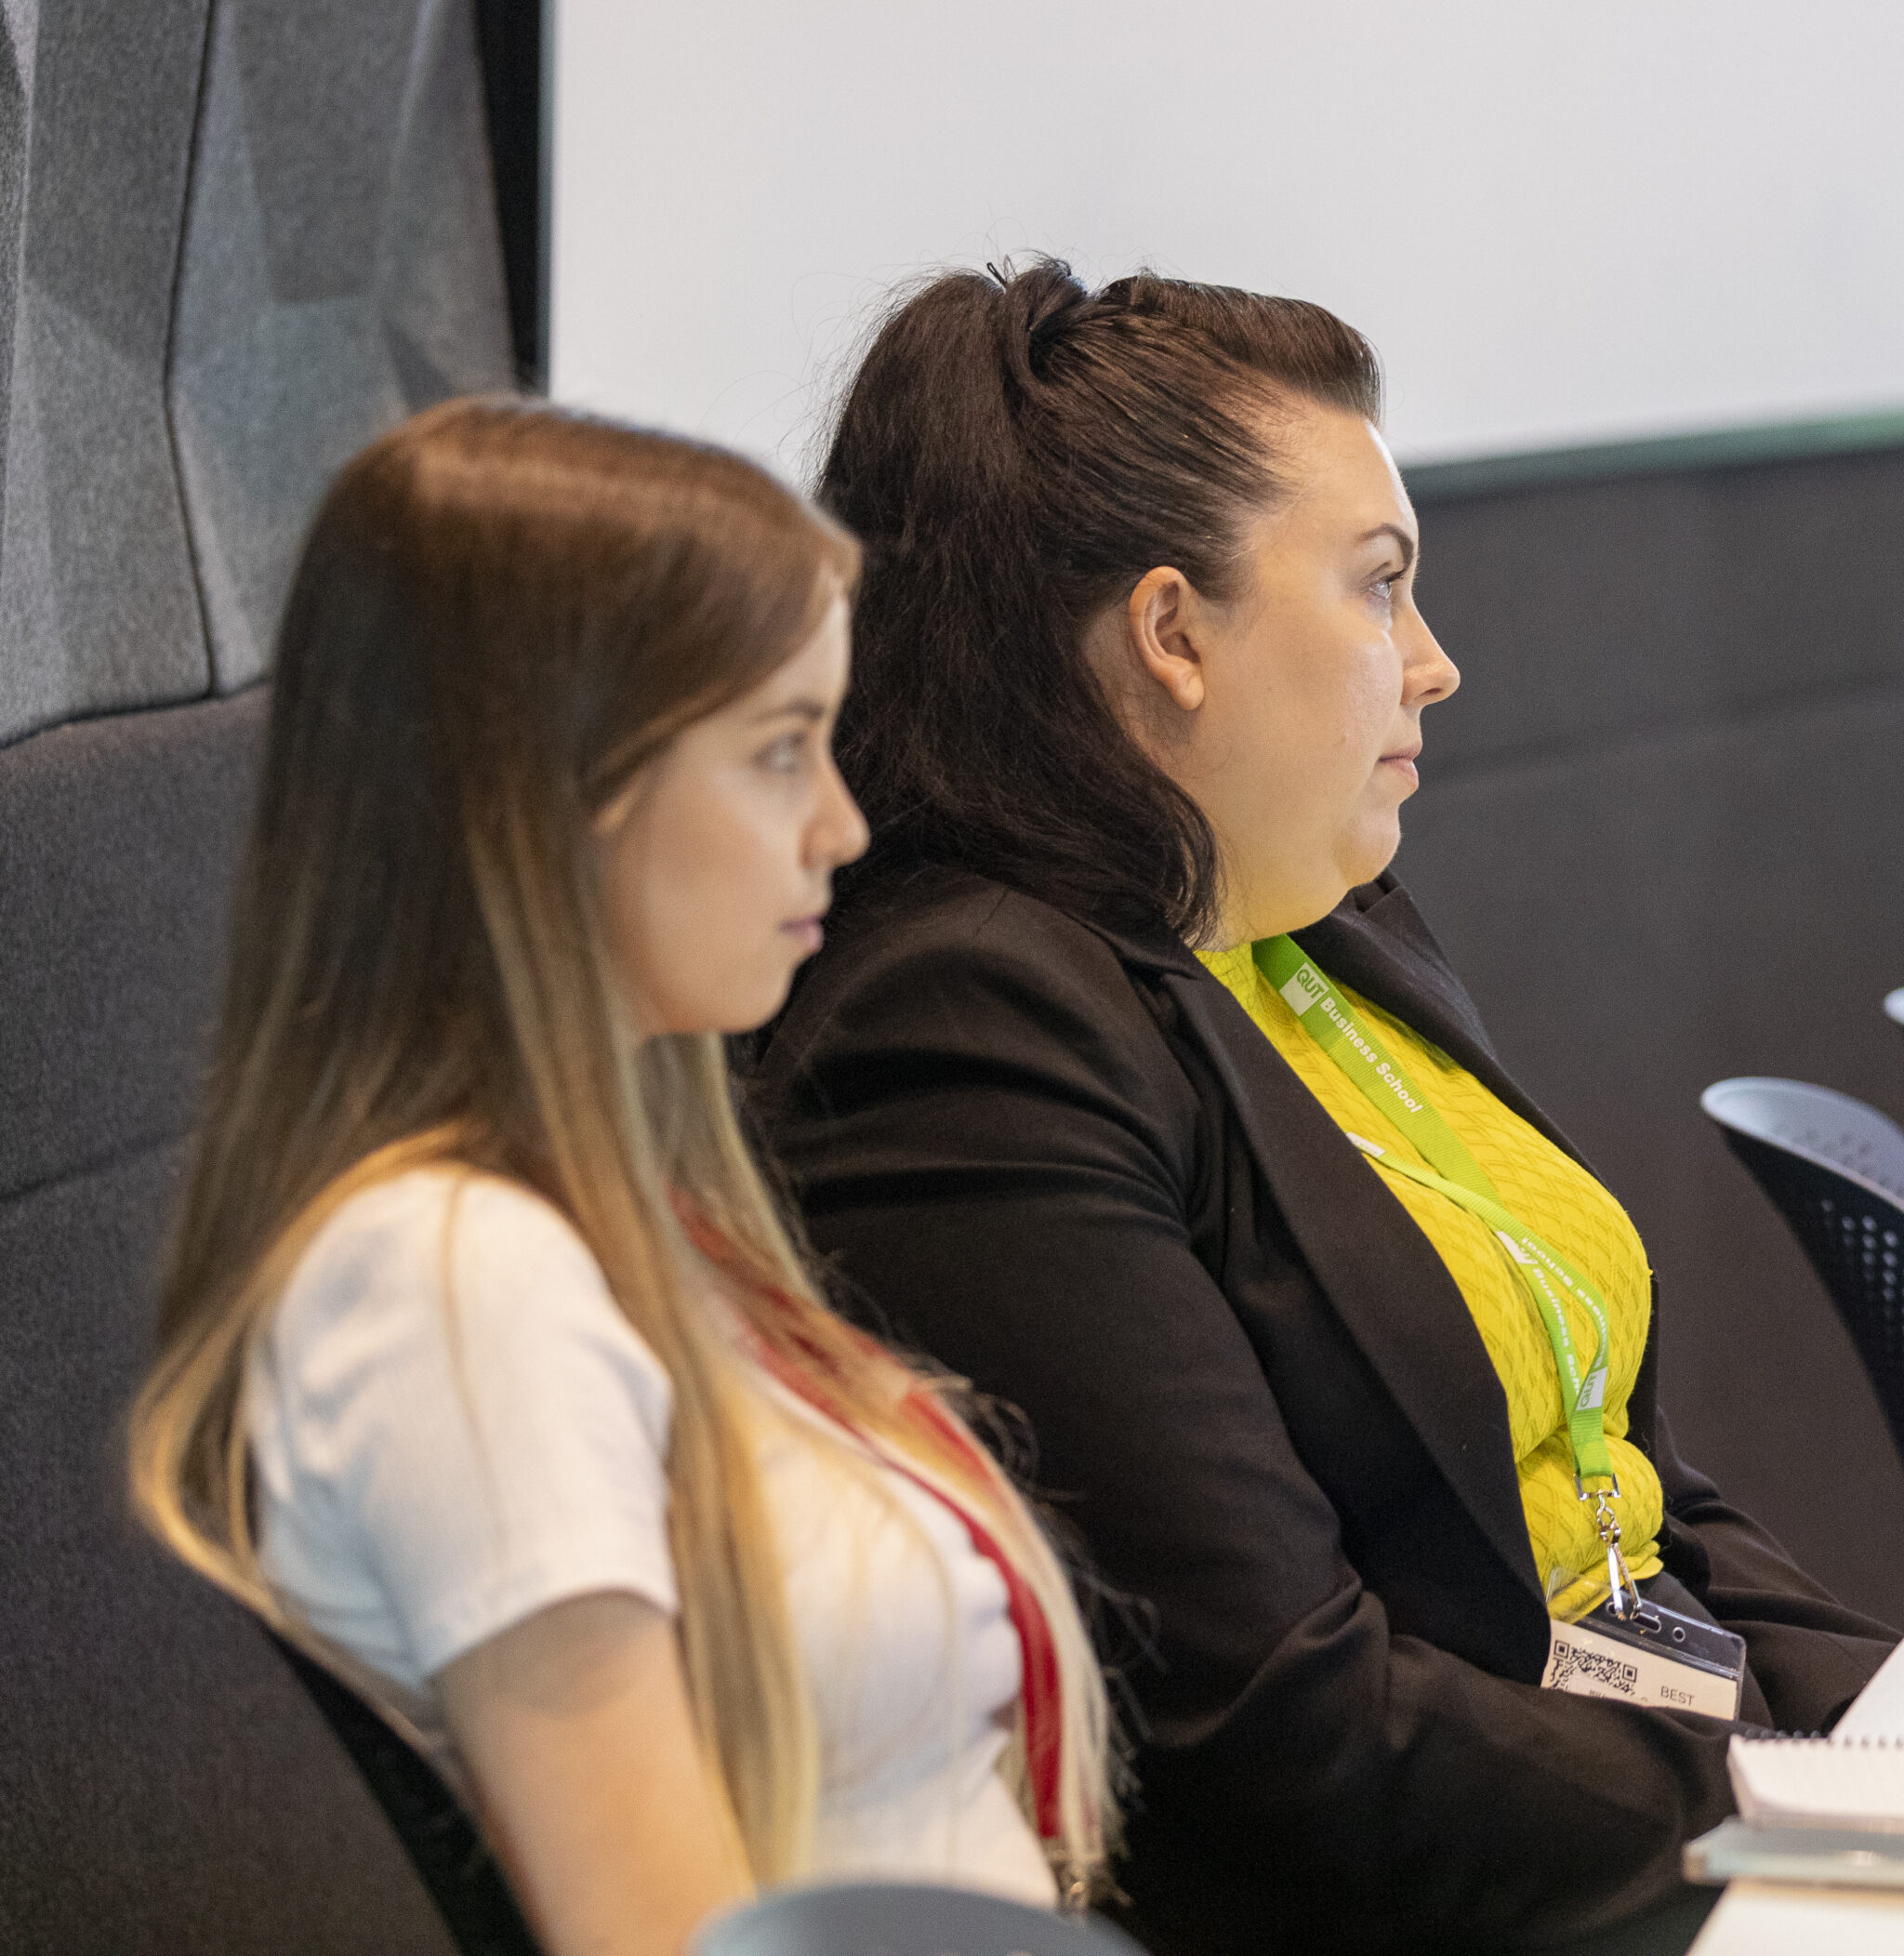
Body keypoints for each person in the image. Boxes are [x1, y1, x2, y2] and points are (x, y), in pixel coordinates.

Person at [747, 259, 1900, 1954]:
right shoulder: (969, 1024)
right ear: (1171, 635)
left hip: (1666, 1801)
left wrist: (1869, 1723)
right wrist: (1801, 1820)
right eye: (1379, 589)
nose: (1434, 664)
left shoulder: (1318, 921)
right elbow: (1277, 1723)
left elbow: (1624, 1478)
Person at [129, 398, 1114, 1956]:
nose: (842, 827)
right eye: (780, 751)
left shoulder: (626, 1225)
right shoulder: (455, 1281)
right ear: (544, 791)